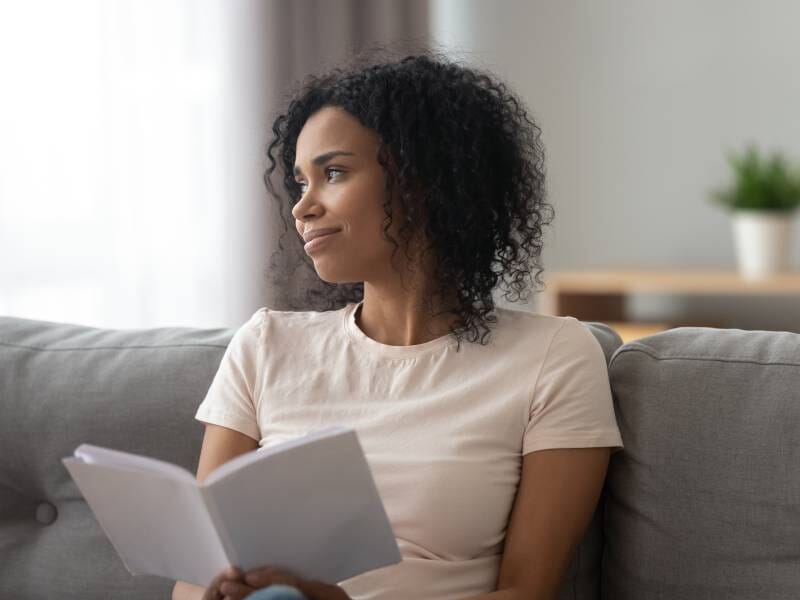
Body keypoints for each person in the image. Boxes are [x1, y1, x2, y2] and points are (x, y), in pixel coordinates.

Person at [172, 47, 624, 600]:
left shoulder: (554, 356)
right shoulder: (265, 346)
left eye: (333, 173)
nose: (301, 207)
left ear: (421, 182)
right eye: (300, 183)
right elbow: (194, 581)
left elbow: (527, 592)